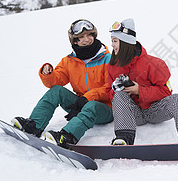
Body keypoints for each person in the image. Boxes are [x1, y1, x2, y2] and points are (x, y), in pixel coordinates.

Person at [12, 19, 113, 148]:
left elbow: (111, 87)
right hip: (80, 105)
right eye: (81, 37)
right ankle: (34, 125)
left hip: (104, 109)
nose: (87, 39)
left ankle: (68, 136)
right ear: (75, 41)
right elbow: (57, 80)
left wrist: (88, 98)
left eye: (89, 35)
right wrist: (48, 73)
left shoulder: (107, 59)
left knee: (92, 105)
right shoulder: (69, 61)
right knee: (56, 91)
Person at [107, 18, 178, 145]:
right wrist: (118, 90)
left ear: (125, 43)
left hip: (155, 111)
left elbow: (166, 91)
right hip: (133, 114)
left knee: (177, 98)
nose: (112, 45)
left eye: (115, 41)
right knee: (119, 96)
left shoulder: (155, 64)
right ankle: (123, 139)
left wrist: (139, 90)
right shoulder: (113, 66)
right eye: (112, 41)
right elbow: (109, 92)